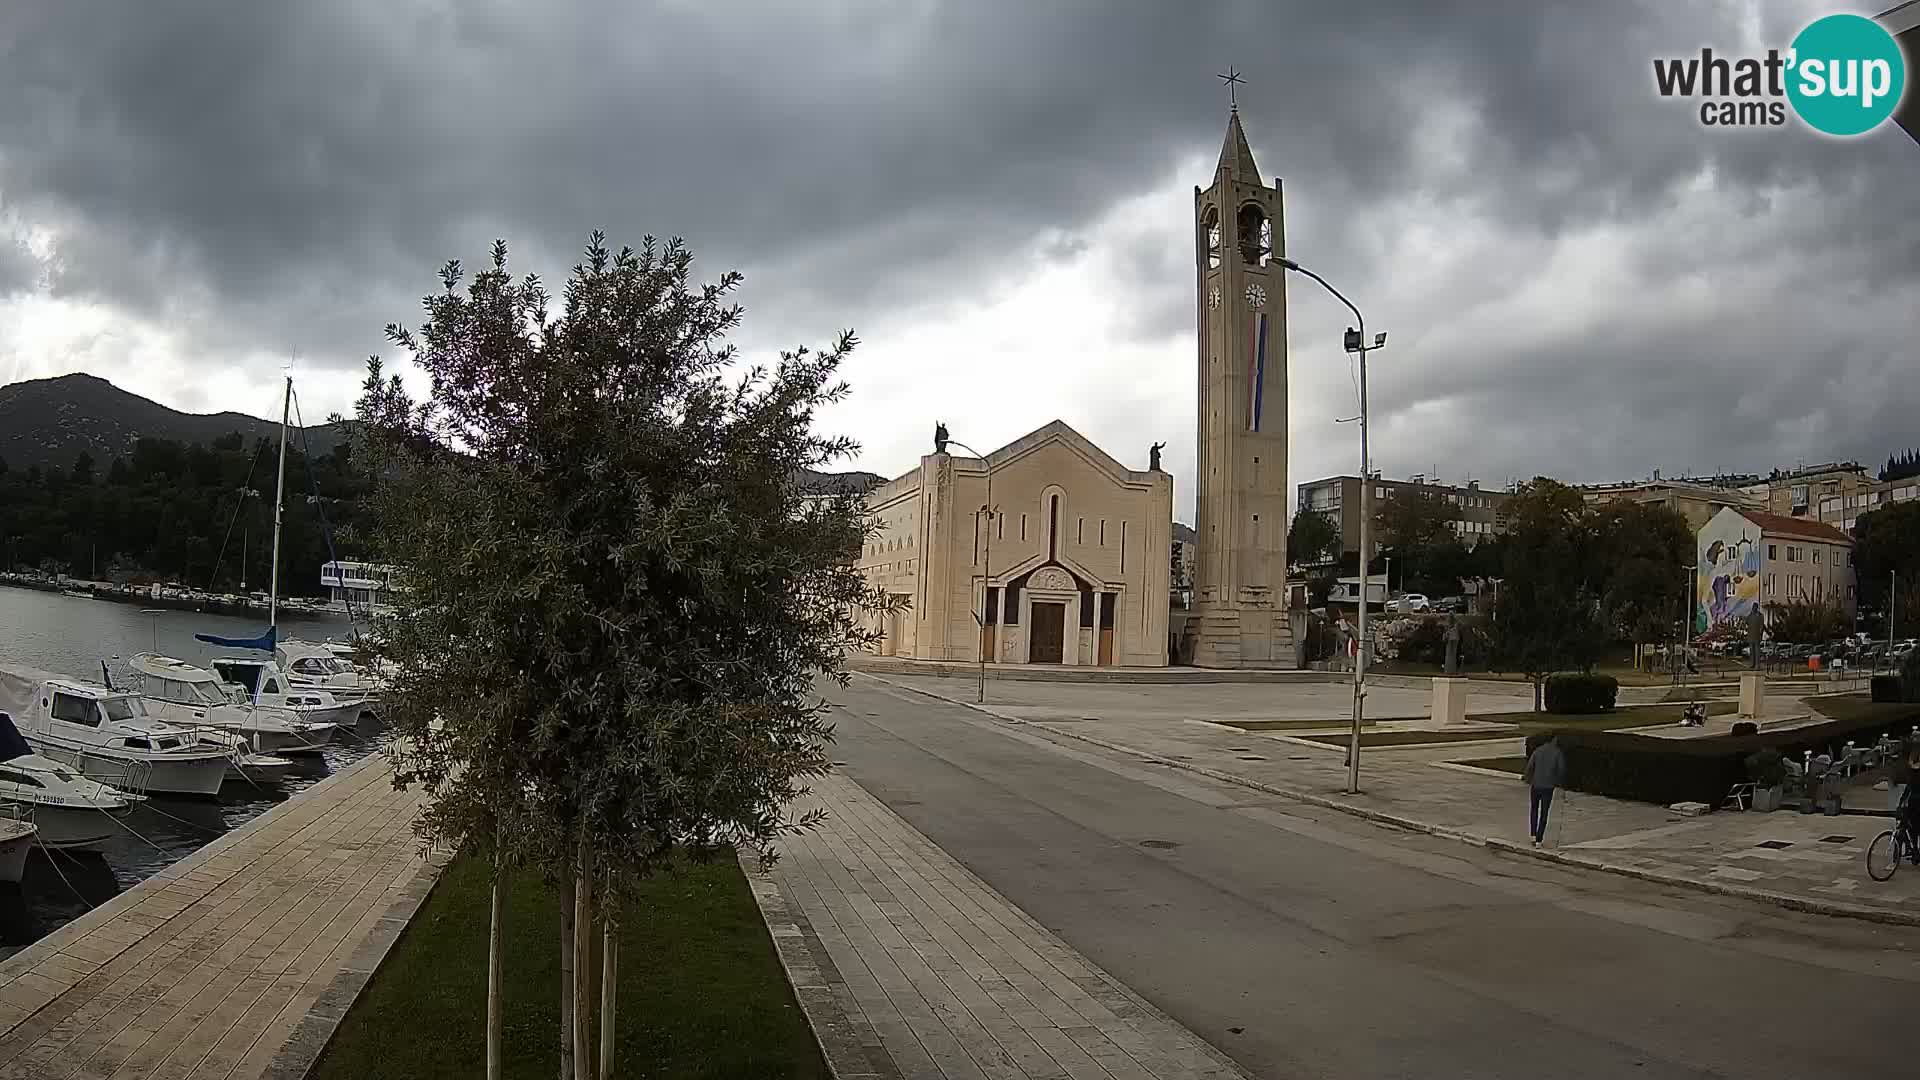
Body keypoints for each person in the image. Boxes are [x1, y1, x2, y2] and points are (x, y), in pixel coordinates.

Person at [1522, 735, 1568, 847]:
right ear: (1554, 740)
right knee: (1544, 812)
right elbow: (1561, 770)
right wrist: (1558, 782)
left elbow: (1530, 766)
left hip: (1536, 785)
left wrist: (1528, 779)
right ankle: (1539, 839)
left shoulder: (1538, 751)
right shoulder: (1557, 753)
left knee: (1534, 809)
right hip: (1548, 786)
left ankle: (1532, 834)